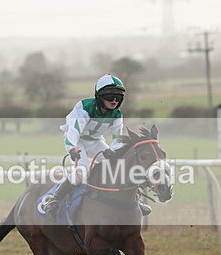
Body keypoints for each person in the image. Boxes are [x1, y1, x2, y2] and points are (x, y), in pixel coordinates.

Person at [38, 73, 152, 221]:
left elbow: (117, 138)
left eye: (118, 97)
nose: (115, 100)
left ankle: (135, 198)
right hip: (77, 141)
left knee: (118, 165)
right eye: (110, 96)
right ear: (99, 96)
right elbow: (73, 132)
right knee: (83, 171)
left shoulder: (117, 115)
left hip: (96, 141)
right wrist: (72, 148)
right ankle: (55, 199)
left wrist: (114, 152)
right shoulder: (85, 107)